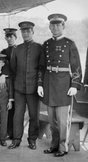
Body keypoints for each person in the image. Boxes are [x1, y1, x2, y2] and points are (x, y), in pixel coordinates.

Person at [38, 13, 82, 157]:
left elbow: (76, 67)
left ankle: (63, 148)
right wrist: (40, 84)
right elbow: (41, 67)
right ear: (49, 26)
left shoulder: (70, 43)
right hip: (49, 84)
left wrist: (75, 85)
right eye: (53, 25)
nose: (55, 27)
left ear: (63, 26)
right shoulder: (46, 44)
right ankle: (54, 145)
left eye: (58, 25)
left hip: (64, 85)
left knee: (63, 122)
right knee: (52, 121)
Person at [8, 21, 43, 150]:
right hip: (19, 89)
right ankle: (16, 140)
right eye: (23, 31)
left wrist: (39, 85)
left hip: (34, 89)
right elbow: (12, 68)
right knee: (18, 115)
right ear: (21, 33)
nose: (25, 33)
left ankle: (32, 140)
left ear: (33, 32)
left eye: (28, 31)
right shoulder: (17, 49)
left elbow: (41, 68)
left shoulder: (39, 48)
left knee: (34, 115)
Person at [1, 28, 17, 140]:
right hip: (7, 83)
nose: (9, 38)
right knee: (8, 109)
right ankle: (8, 132)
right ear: (5, 38)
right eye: (8, 36)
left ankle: (16, 133)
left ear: (16, 37)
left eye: (12, 36)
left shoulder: (20, 50)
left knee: (17, 110)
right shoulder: (3, 52)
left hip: (18, 83)